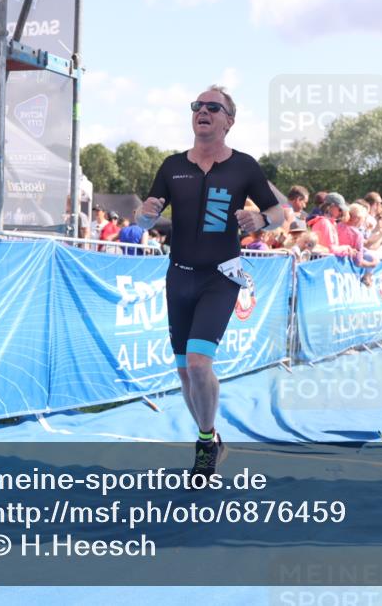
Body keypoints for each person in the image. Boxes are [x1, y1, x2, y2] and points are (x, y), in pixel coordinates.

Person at [135, 85, 283, 481]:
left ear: (228, 121)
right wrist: (143, 216)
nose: (202, 110)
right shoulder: (171, 166)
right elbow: (144, 218)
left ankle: (203, 443)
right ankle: (212, 436)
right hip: (178, 277)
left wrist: (262, 221)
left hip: (220, 278)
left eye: (212, 106)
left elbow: (278, 212)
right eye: (197, 105)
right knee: (185, 372)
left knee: (200, 364)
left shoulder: (245, 166)